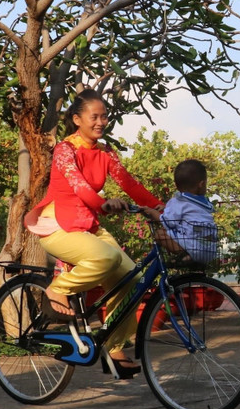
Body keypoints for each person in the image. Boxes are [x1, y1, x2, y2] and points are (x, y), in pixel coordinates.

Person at [24, 89, 163, 378]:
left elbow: (129, 184)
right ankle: (57, 290)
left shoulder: (105, 153)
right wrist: (104, 204)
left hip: (87, 226)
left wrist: (160, 207)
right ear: (77, 119)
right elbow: (80, 188)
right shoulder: (65, 149)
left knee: (133, 278)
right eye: (94, 117)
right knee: (107, 257)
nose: (101, 122)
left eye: (104, 116)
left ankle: (114, 348)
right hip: (58, 224)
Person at [140, 159, 217, 265]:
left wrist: (154, 213)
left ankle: (184, 255)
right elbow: (188, 212)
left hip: (194, 249)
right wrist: (166, 208)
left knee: (160, 234)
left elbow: (168, 221)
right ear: (201, 184)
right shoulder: (201, 203)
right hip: (209, 250)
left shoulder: (178, 201)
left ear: (176, 185)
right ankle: (187, 255)